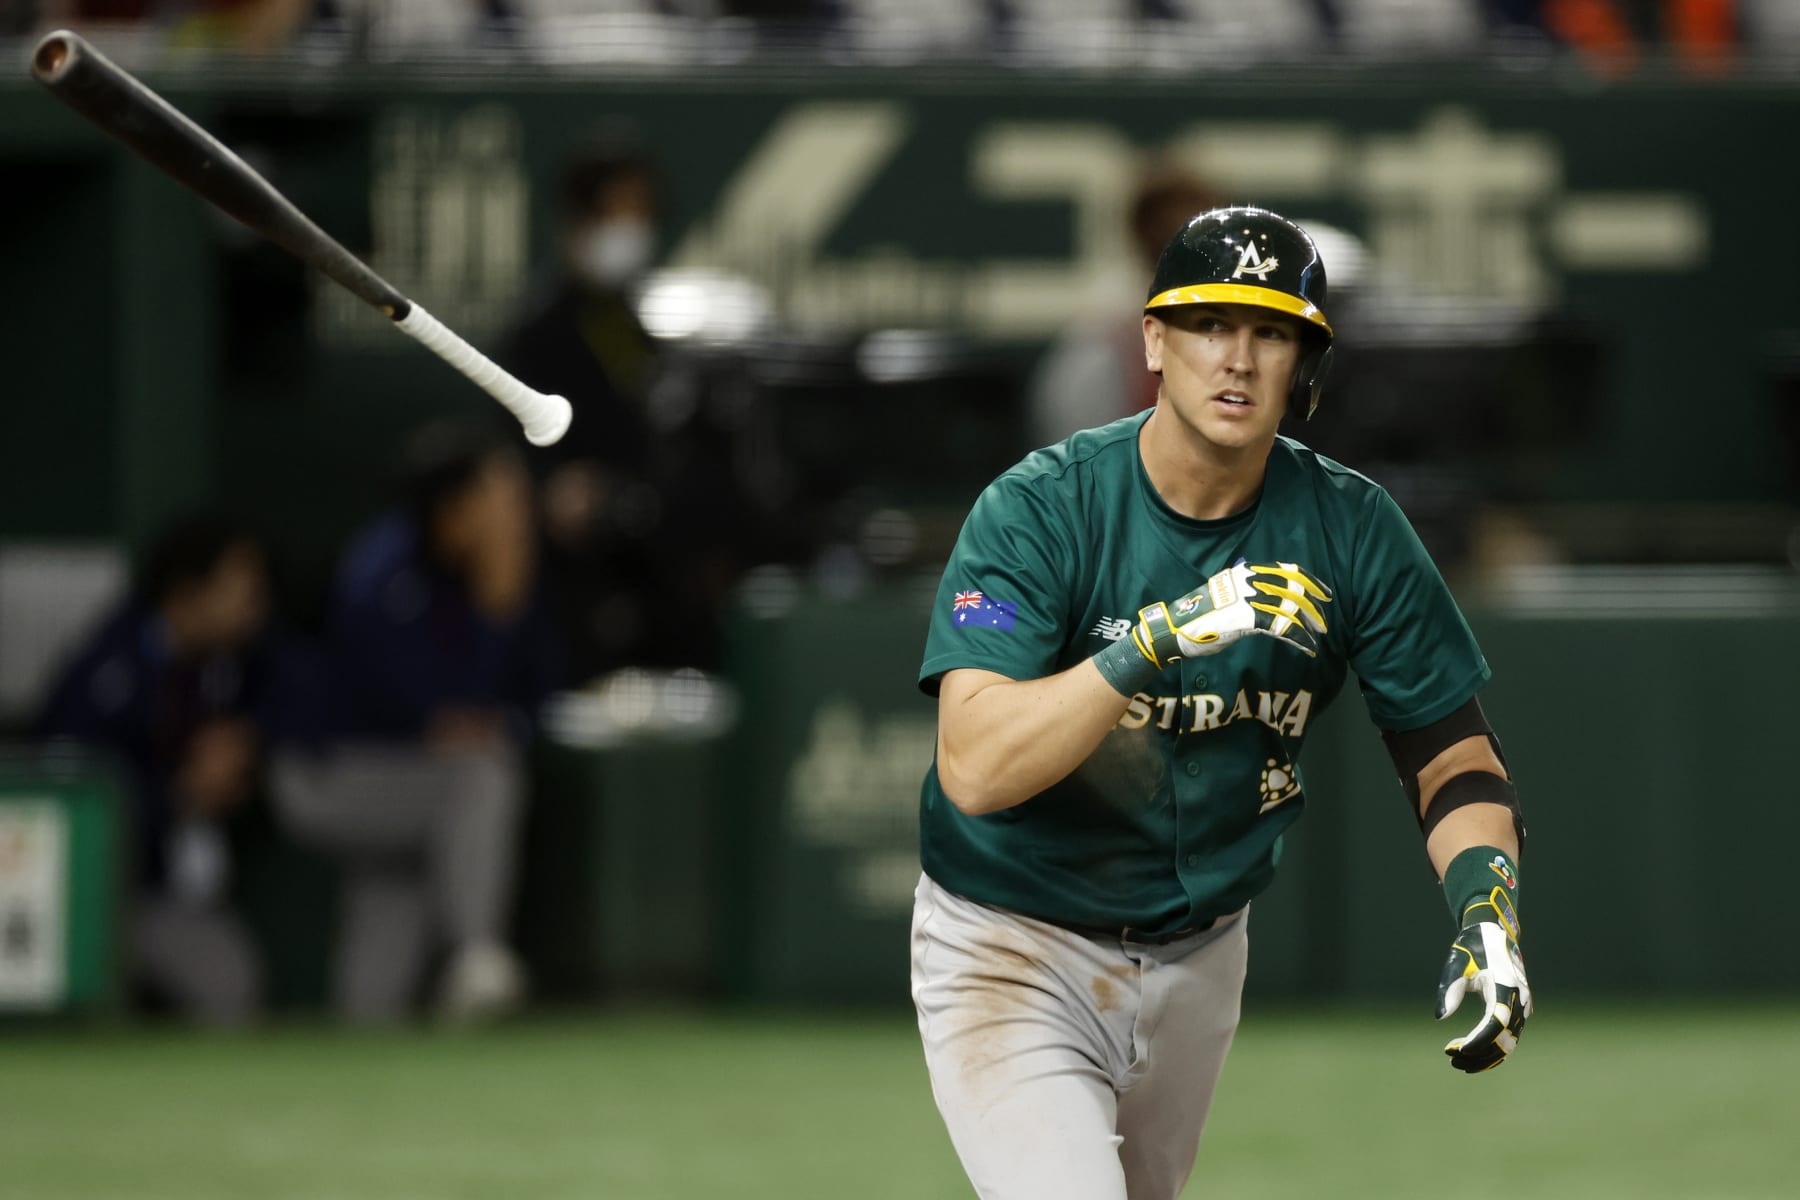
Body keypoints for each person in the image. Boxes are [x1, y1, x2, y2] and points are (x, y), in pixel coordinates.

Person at [910, 206, 1532, 1199]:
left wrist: (1487, 913)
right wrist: (1159, 638)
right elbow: (976, 767)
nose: (1237, 359)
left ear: (1308, 365)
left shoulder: (1351, 527)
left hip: (1201, 954)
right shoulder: (1044, 507)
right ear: (1154, 339)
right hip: (1014, 938)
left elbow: (1449, 750)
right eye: (1209, 325)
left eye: (1273, 331)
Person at [269, 422, 562, 1023]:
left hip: (401, 781)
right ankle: (477, 953)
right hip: (327, 773)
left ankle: (362, 1043)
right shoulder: (384, 573)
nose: (516, 514)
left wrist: (503, 608)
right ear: (455, 509)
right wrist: (495, 617)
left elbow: (538, 697)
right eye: (499, 498)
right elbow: (427, 714)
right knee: (481, 778)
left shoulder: (499, 571)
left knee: (385, 938)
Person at [35, 514, 272, 1026]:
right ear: (187, 594)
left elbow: (306, 688)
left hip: (174, 895)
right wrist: (178, 795)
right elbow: (67, 801)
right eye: (238, 586)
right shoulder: (107, 673)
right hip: (95, 899)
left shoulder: (236, 661)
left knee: (231, 986)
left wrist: (246, 738)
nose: (254, 602)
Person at [1025, 164, 1219, 447]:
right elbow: (1076, 455)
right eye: (1165, 221)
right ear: (1141, 230)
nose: (1181, 231)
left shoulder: (1240, 321)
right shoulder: (1105, 332)